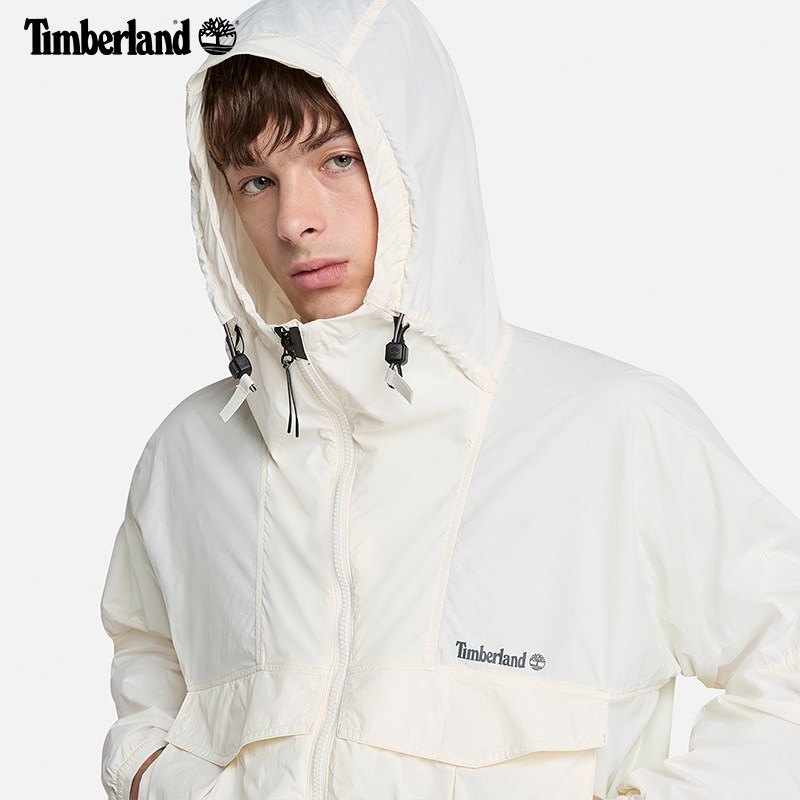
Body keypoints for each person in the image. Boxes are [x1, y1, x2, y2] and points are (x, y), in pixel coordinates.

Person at [100, 0, 800, 798]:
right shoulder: (187, 454)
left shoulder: (613, 432)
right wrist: (147, 772)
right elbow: (148, 657)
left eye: (338, 160)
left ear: (417, 164)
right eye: (257, 181)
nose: (294, 221)